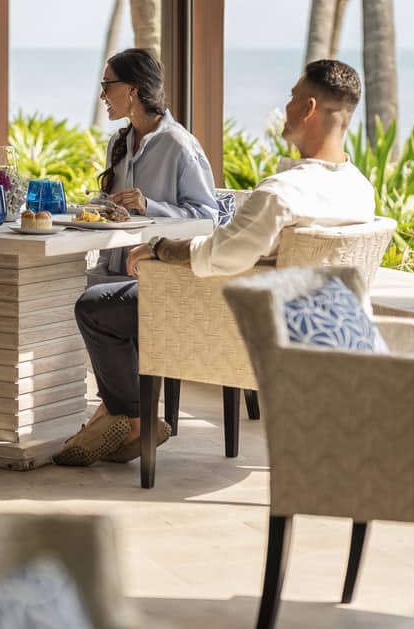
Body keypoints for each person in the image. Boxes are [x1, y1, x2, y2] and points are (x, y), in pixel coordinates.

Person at [53, 60, 377, 466]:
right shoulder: (360, 189)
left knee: (96, 306)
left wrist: (157, 249)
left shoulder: (281, 193)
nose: (287, 106)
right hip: (308, 327)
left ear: (309, 108)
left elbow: (220, 255)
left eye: (292, 98)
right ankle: (115, 413)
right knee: (109, 294)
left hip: (225, 315)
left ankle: (131, 418)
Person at [90, 48, 220, 279]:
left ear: (133, 89)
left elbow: (207, 218)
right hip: (110, 272)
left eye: (107, 85)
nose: (102, 95)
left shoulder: (179, 145)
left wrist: (148, 206)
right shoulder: (118, 143)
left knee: (87, 305)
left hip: (158, 280)